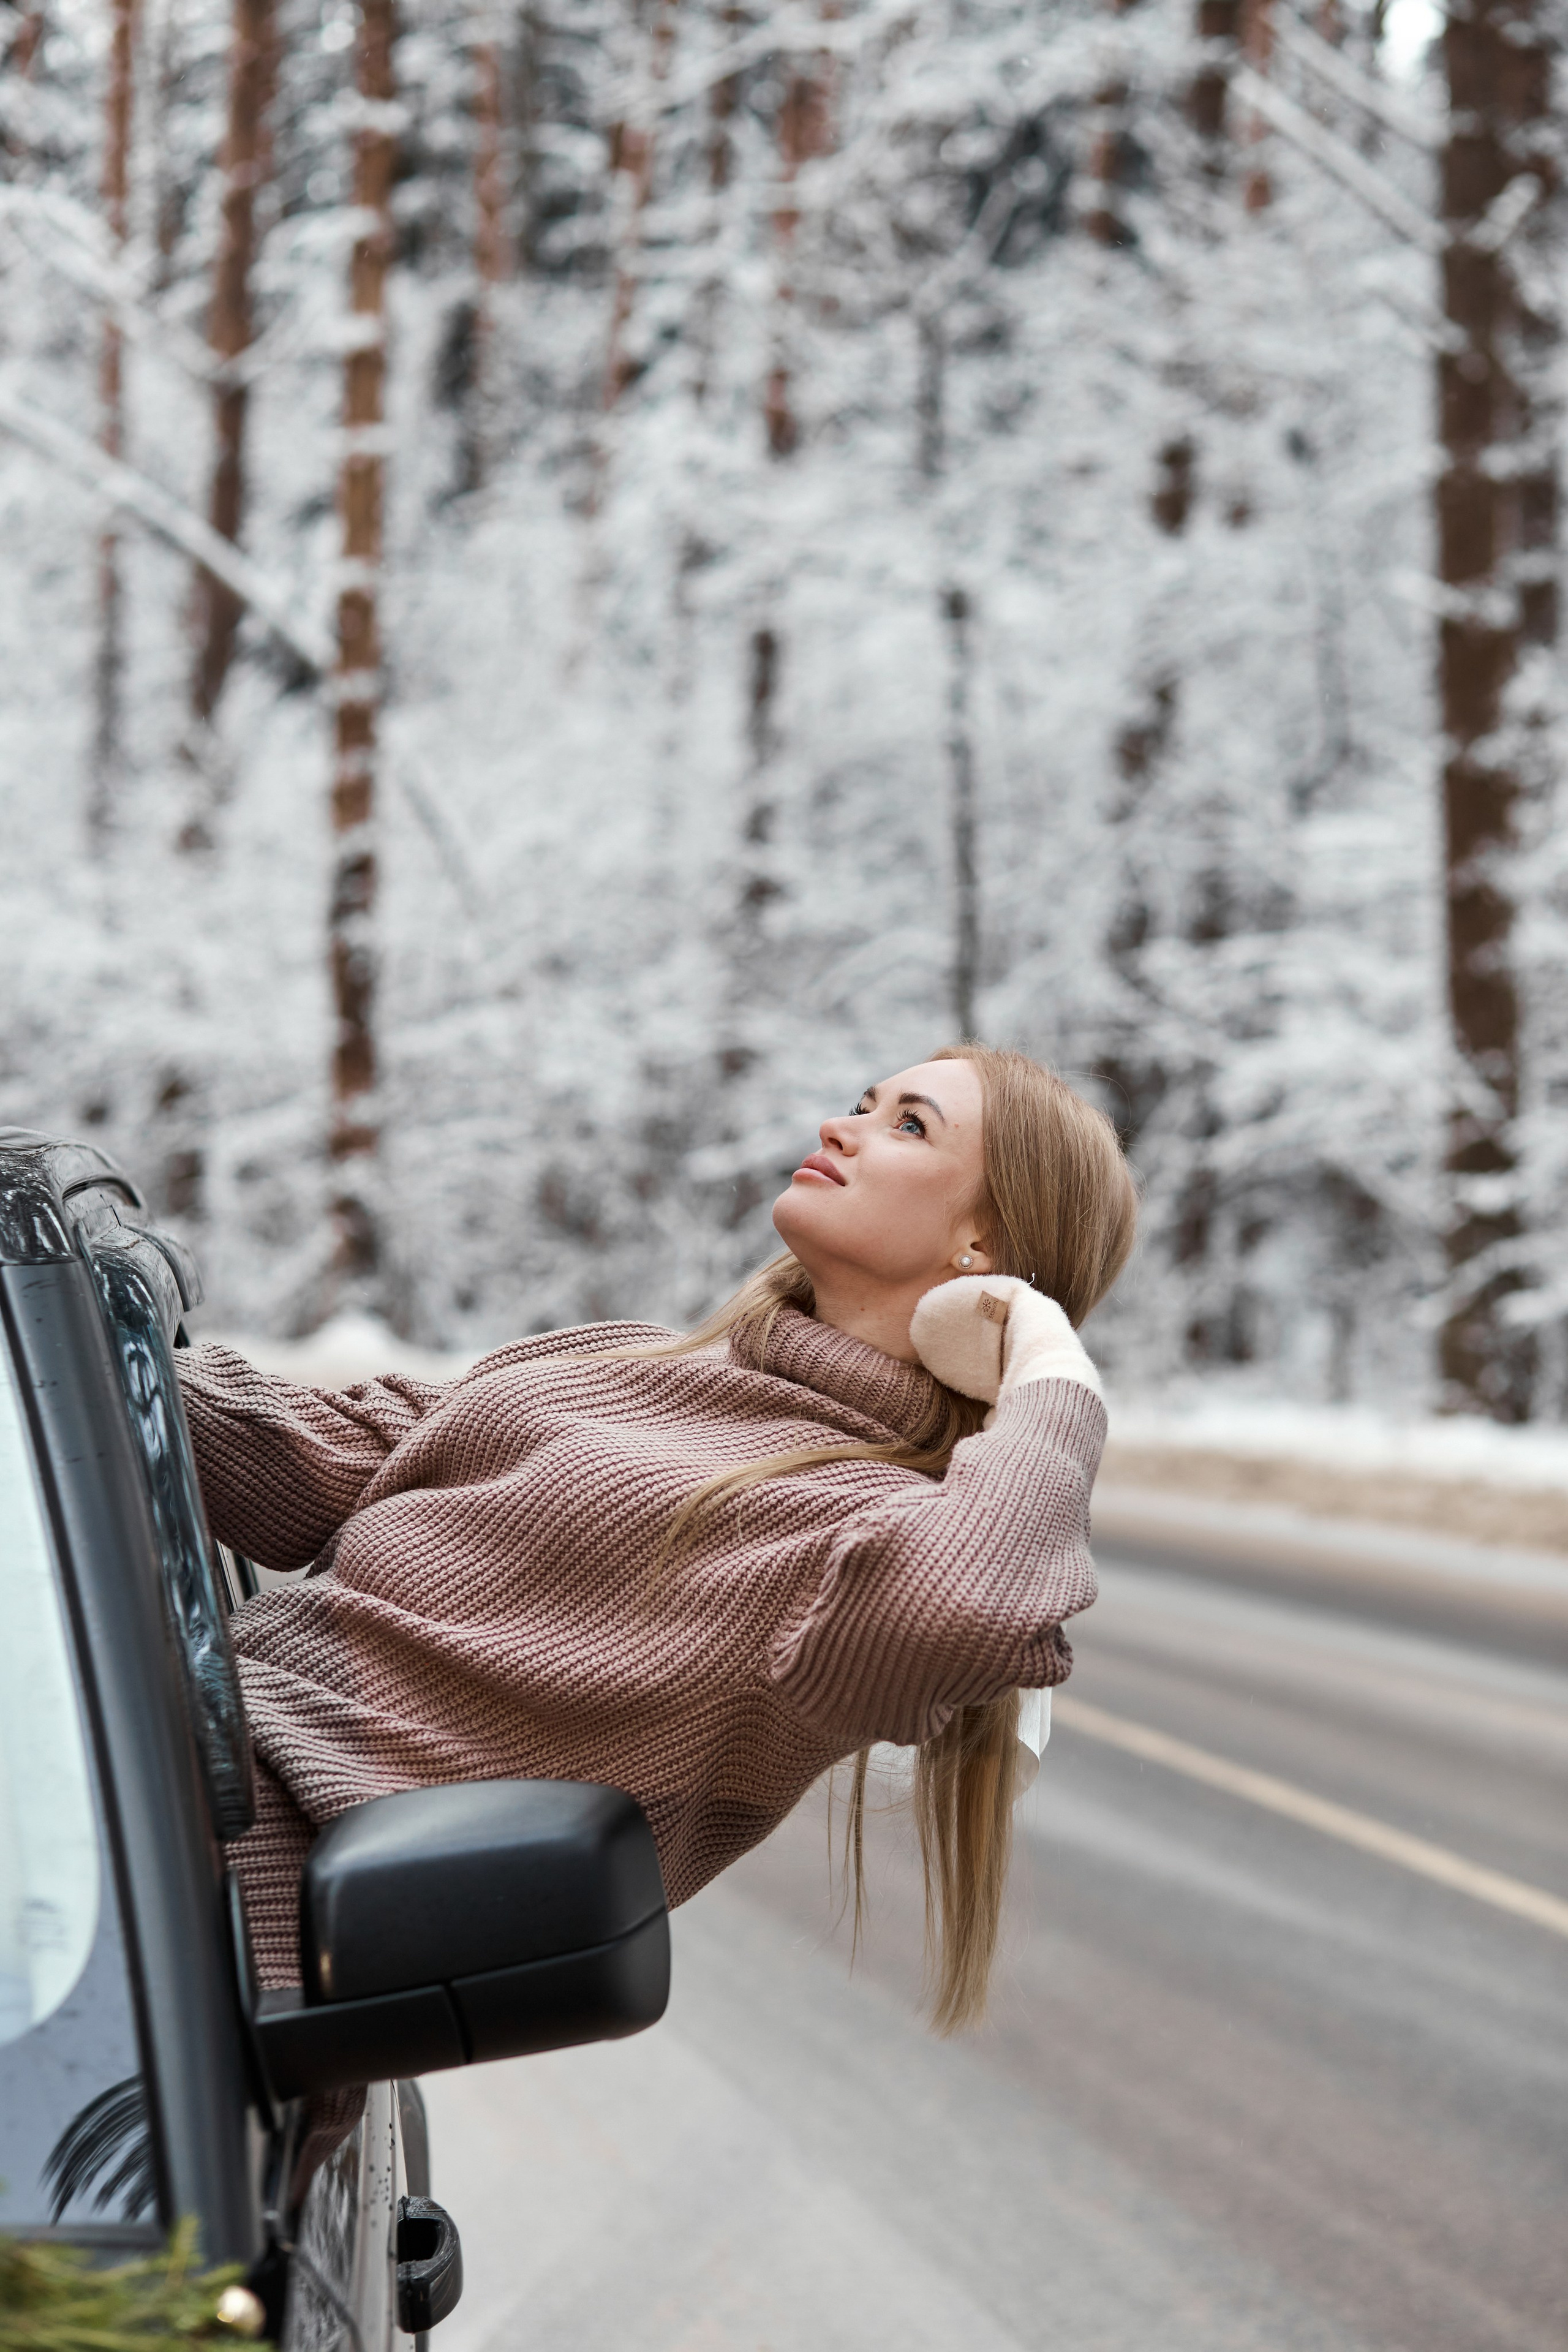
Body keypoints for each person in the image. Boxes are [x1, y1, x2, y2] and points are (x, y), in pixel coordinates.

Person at [179, 1043, 1137, 2032]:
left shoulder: (863, 1525)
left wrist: (1051, 1379)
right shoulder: (623, 1357)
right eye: (862, 1100)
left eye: (908, 1125)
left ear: (983, 1246)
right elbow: (305, 1455)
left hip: (211, 1942)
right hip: (120, 1751)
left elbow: (955, 1613)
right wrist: (91, 1319)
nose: (837, 1127)